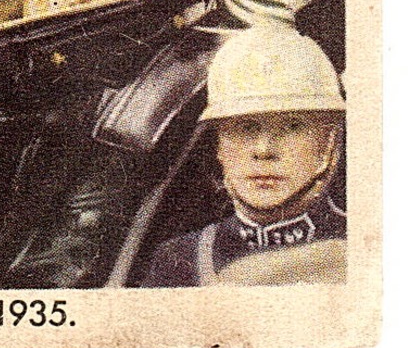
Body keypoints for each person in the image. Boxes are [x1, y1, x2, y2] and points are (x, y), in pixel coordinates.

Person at [138, 26, 345, 286]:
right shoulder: (179, 260)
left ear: (327, 144)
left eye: (293, 126)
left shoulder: (371, 245)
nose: (264, 150)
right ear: (220, 147)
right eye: (246, 127)